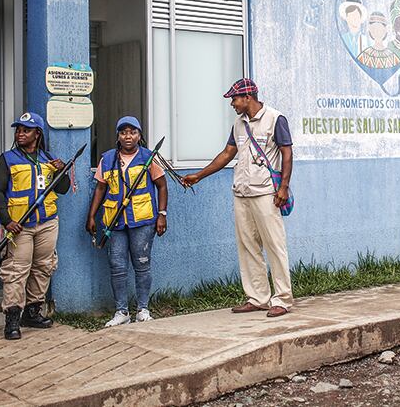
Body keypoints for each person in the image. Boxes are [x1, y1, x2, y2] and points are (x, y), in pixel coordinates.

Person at [182, 78, 294, 318]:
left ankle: (282, 299)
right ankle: (258, 298)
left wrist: (283, 187)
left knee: (275, 246)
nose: (232, 103)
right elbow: (227, 153)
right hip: (241, 191)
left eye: (235, 99)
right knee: (248, 247)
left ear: (248, 98)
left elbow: (287, 152)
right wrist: (199, 175)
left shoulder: (275, 119)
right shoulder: (238, 123)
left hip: (266, 192)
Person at [0, 112, 69, 340]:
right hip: (19, 226)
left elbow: (63, 188)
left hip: (47, 223)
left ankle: (32, 312)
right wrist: (7, 220)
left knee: (43, 266)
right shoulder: (7, 159)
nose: (20, 134)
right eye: (18, 130)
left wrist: (61, 169)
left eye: (26, 130)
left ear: (38, 134)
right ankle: (13, 317)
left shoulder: (48, 159)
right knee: (16, 270)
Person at [86, 116, 168, 327]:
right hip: (115, 221)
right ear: (118, 136)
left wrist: (162, 214)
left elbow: (162, 186)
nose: (128, 136)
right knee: (117, 266)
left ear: (140, 136)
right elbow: (100, 188)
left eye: (132, 132)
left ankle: (142, 309)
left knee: (142, 265)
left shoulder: (149, 158)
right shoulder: (108, 158)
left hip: (142, 220)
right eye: (123, 132)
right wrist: (91, 216)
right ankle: (121, 312)